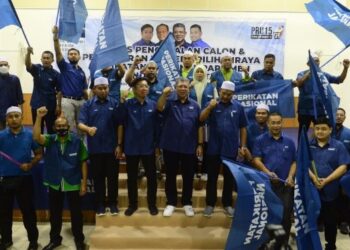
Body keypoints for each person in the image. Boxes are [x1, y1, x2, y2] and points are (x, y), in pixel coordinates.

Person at [33, 107, 87, 250]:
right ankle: (55, 240)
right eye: (58, 126)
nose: (61, 128)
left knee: (76, 215)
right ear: (53, 128)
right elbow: (36, 137)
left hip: (73, 182)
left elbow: (83, 162)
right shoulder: (50, 140)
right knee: (55, 214)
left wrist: (83, 184)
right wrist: (39, 117)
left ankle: (79, 240)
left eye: (64, 126)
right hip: (55, 182)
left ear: (68, 127)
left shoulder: (76, 141)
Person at [200, 81, 248, 217]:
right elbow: (201, 119)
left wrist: (243, 146)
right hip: (213, 148)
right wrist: (210, 107)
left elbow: (243, 127)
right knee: (212, 178)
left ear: (233, 94)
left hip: (231, 148)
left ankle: (227, 204)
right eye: (224, 93)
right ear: (220, 91)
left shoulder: (238, 107)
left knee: (229, 178)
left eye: (229, 94)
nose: (225, 96)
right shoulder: (212, 104)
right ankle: (210, 204)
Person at [157, 78, 203, 217]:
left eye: (185, 86)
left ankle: (187, 203)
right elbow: (159, 107)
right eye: (180, 86)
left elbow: (199, 126)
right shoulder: (169, 103)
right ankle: (171, 202)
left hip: (189, 147)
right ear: (176, 88)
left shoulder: (195, 105)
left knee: (188, 177)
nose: (183, 88)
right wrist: (164, 95)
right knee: (170, 176)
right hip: (170, 146)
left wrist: (200, 144)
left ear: (189, 88)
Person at [252, 112, 296, 248]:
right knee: (268, 215)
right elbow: (256, 160)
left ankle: (282, 243)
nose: (276, 125)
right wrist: (268, 173)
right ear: (268, 123)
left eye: (278, 122)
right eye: (273, 123)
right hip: (267, 184)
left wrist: (290, 177)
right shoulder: (260, 140)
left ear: (282, 123)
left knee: (285, 215)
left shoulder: (290, 142)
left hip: (285, 186)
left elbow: (294, 162)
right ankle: (266, 242)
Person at [78, 77, 121, 216]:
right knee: (98, 179)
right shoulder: (88, 105)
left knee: (113, 178)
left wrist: (119, 145)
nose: (103, 90)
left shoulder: (115, 103)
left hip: (112, 149)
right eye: (100, 88)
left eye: (106, 88)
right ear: (94, 89)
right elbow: (80, 123)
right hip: (95, 149)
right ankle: (100, 205)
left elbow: (120, 125)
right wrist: (88, 129)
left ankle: (113, 203)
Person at [0, 107, 42, 250]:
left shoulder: (30, 135)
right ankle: (6, 241)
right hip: (4, 179)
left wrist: (30, 164)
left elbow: (38, 154)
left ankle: (33, 241)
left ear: (22, 117)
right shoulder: (1, 136)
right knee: (4, 213)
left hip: (24, 179)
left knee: (28, 212)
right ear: (6, 119)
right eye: (10, 116)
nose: (13, 119)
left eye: (16, 116)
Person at [118, 77, 159, 216]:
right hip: (131, 147)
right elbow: (121, 123)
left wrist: (157, 145)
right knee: (132, 178)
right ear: (134, 89)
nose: (144, 88)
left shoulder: (153, 105)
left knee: (152, 178)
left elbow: (157, 127)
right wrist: (121, 145)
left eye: (146, 86)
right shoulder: (127, 104)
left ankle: (152, 204)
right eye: (141, 86)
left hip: (148, 147)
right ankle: (132, 204)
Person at [309, 117, 350, 250]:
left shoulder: (338, 146)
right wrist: (314, 178)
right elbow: (303, 165)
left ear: (330, 130)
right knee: (311, 220)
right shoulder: (308, 145)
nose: (320, 131)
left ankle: (330, 244)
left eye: (323, 129)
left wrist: (326, 180)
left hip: (331, 190)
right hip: (313, 190)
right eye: (317, 128)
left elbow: (343, 166)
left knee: (330, 221)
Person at [294, 54, 349, 136]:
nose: (316, 62)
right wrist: (309, 73)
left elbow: (339, 80)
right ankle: (301, 148)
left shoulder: (323, 75)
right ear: (308, 63)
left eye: (317, 60)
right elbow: (298, 83)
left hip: (320, 110)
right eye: (313, 61)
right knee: (302, 134)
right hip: (304, 110)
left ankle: (319, 148)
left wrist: (345, 68)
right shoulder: (301, 73)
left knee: (321, 132)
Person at [52, 26, 88, 133]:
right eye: (70, 54)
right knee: (69, 127)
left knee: (82, 126)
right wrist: (55, 37)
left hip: (81, 101)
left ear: (79, 57)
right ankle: (71, 149)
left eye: (75, 54)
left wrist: (88, 102)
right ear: (67, 57)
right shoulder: (64, 66)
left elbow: (85, 90)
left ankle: (81, 147)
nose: (73, 56)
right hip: (67, 101)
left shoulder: (82, 71)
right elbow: (58, 52)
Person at [189, 64, 218, 180]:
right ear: (194, 73)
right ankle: (193, 170)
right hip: (191, 120)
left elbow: (216, 102)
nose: (199, 74)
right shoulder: (189, 86)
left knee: (206, 145)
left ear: (205, 73)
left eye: (202, 72)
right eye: (197, 72)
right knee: (192, 145)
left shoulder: (211, 86)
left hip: (207, 121)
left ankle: (205, 170)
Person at [25, 47, 61, 134]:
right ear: (41, 59)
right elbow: (28, 64)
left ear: (52, 60)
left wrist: (58, 105)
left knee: (51, 130)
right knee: (38, 130)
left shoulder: (56, 74)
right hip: (36, 104)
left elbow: (59, 91)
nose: (46, 60)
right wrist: (28, 53)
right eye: (44, 58)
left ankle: (51, 148)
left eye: (48, 58)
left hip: (51, 106)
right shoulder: (37, 69)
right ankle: (39, 148)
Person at [333, 107, 350, 235]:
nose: (338, 116)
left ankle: (344, 222)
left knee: (344, 197)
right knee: (328, 197)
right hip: (328, 170)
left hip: (345, 171)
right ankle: (323, 221)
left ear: (344, 117)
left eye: (341, 115)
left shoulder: (348, 133)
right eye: (336, 114)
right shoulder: (326, 130)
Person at [0, 57, 24, 130]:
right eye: (1, 65)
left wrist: (21, 110)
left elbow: (20, 96)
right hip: (0, 109)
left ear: (8, 66)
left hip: (13, 110)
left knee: (14, 130)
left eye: (5, 64)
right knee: (1, 131)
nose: (3, 66)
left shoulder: (15, 79)